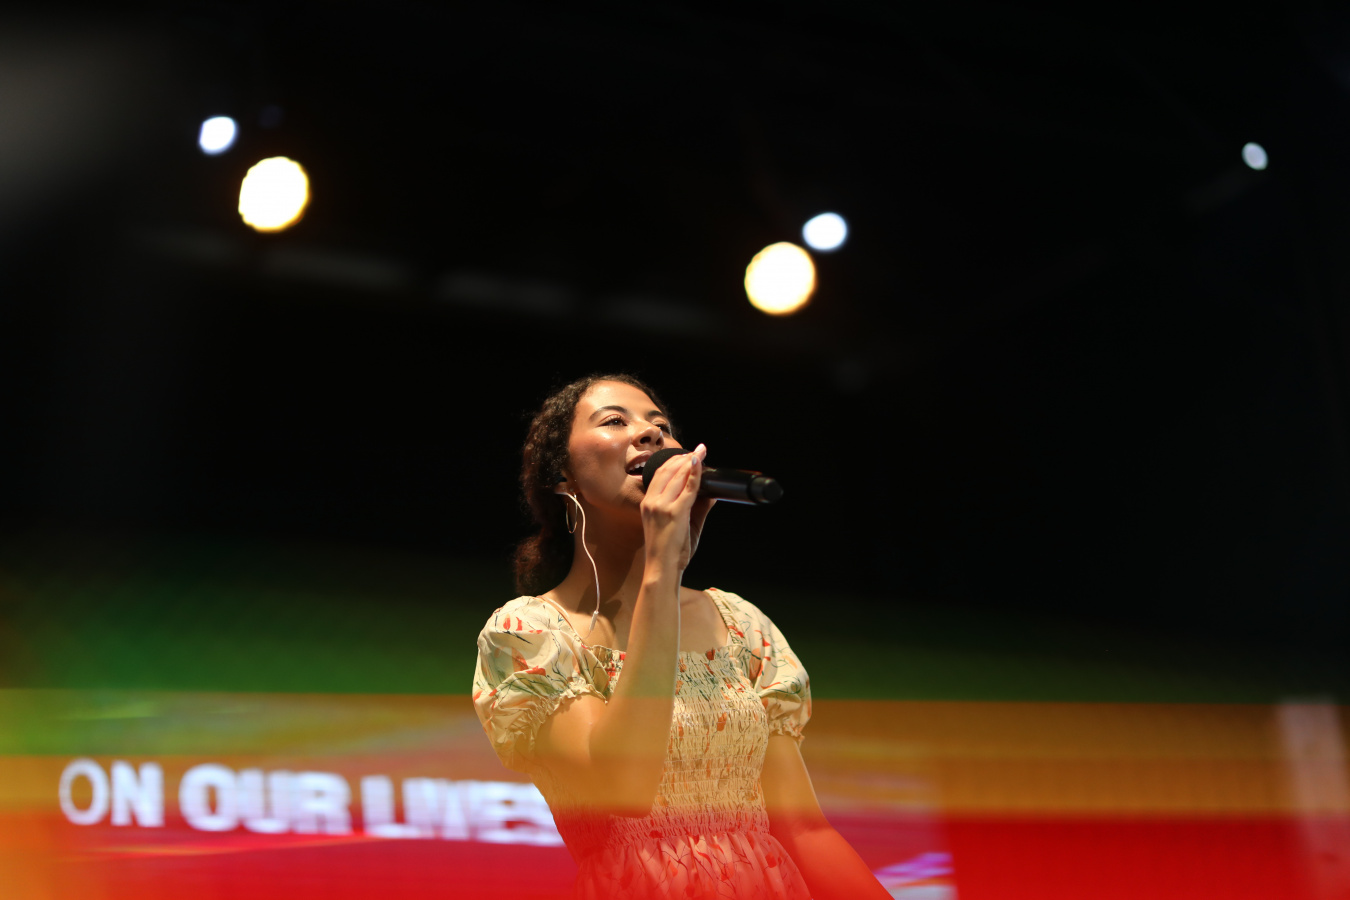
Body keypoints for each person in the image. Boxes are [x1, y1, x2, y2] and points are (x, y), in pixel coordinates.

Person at [472, 374, 890, 900]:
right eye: (614, 421)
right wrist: (661, 572)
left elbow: (805, 830)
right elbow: (624, 784)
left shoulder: (740, 624)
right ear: (561, 475)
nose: (650, 434)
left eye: (661, 426)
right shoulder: (529, 634)